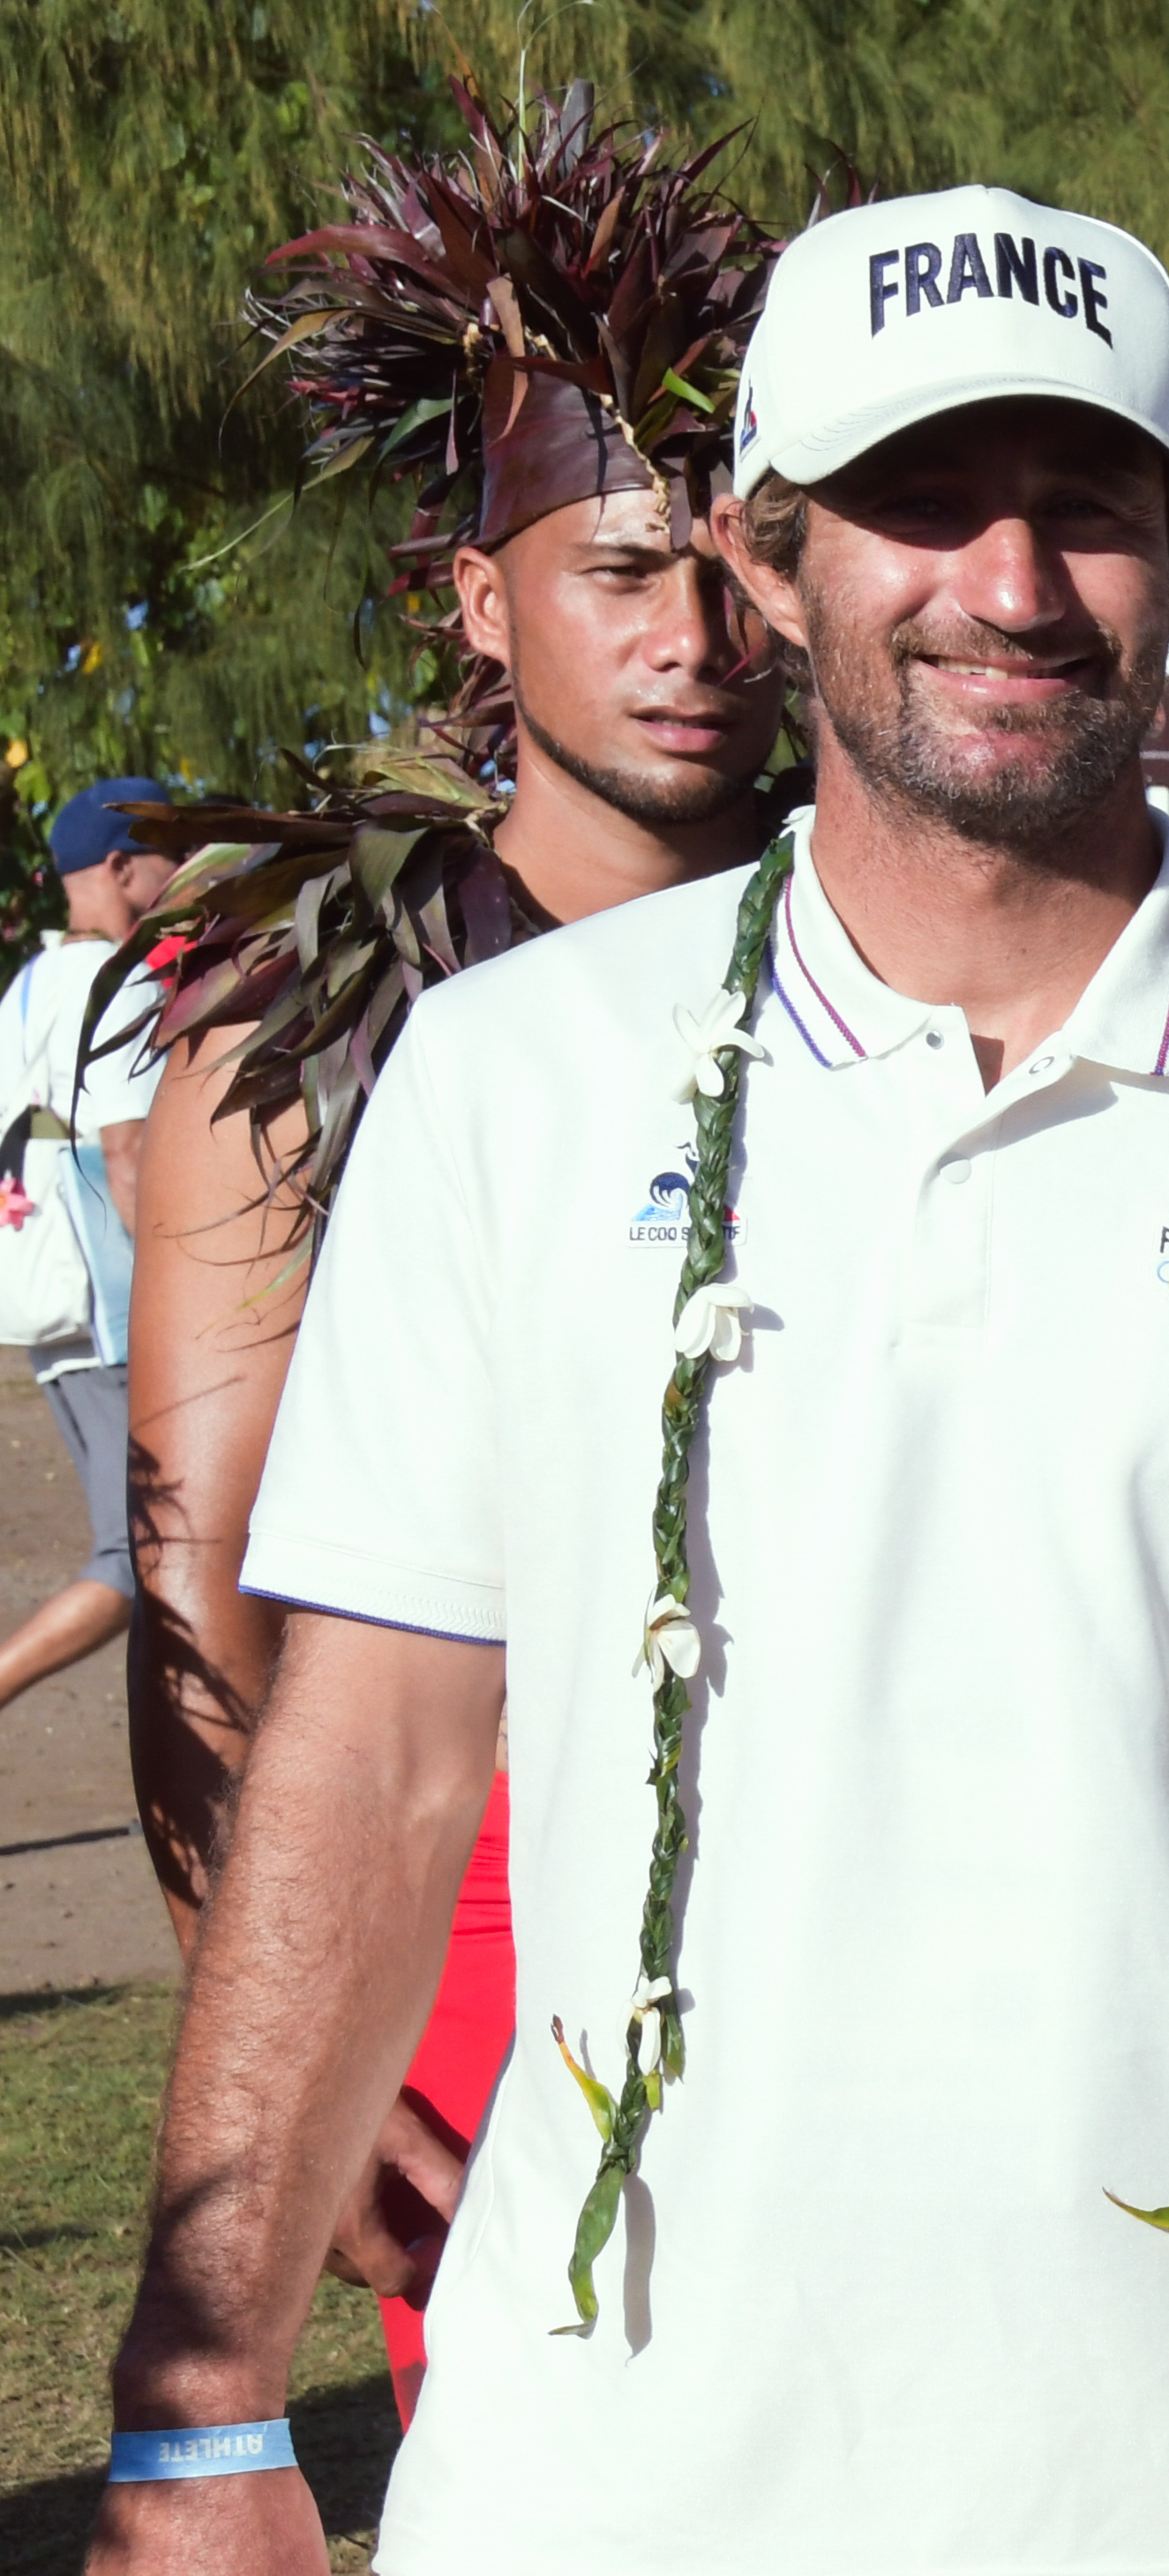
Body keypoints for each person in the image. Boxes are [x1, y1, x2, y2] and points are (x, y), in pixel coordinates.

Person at [75, 183, 1169, 2576]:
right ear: (767, 557)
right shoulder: (516, 1077)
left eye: (1087, 501)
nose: (1009, 581)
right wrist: (207, 2386)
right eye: (921, 498)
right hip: (566, 2544)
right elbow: (363, 1753)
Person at [111, 89, 790, 2415]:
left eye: (729, 561)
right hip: (480, 1856)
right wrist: (303, 2012)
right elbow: (205, 1568)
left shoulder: (904, 934)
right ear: (484, 601)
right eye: (618, 569)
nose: (691, 632)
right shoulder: (312, 998)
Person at [0, 779, 179, 1712]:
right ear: (119, 868)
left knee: (155, 1554)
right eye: (169, 862)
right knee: (137, 1552)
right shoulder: (119, 981)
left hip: (47, 1296)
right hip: (111, 1305)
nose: (182, 881)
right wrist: (177, 1304)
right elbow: (127, 1149)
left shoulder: (27, 986)